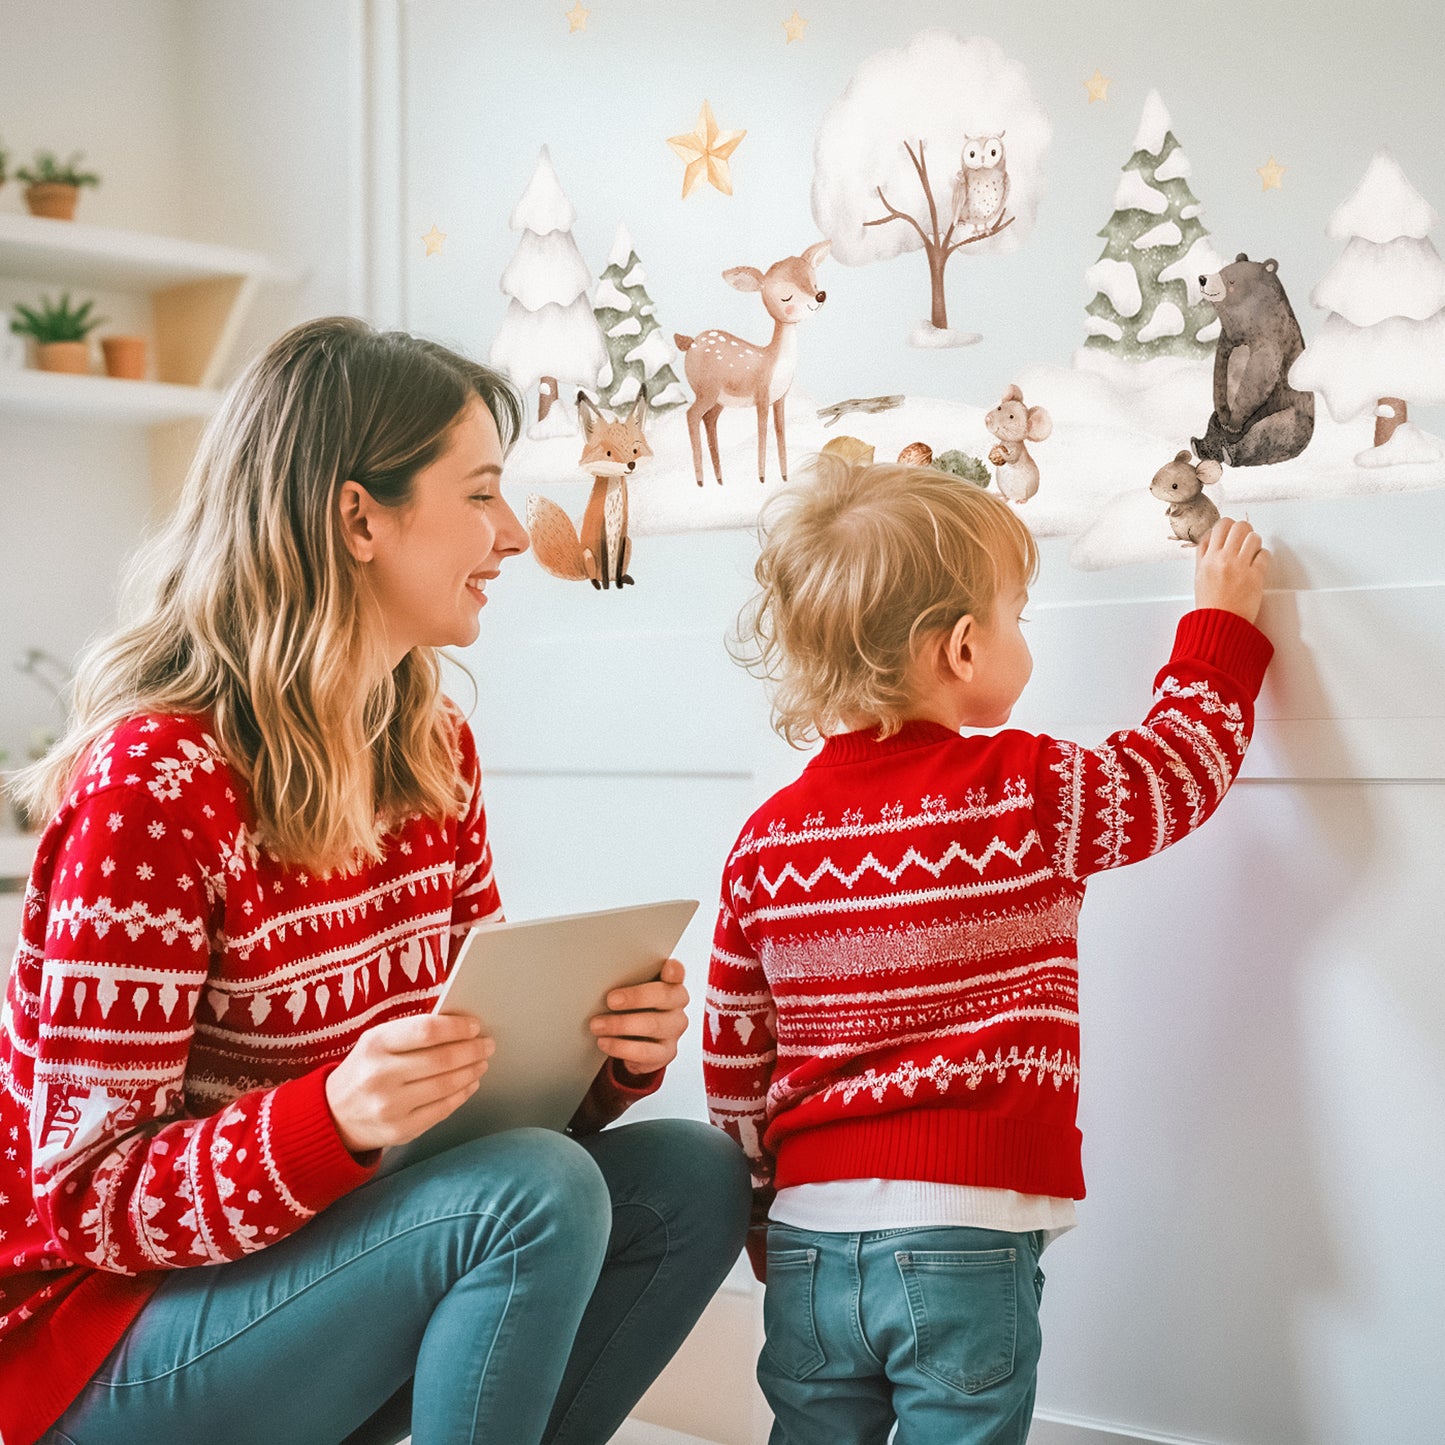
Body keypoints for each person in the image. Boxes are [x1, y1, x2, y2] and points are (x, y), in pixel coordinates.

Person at [0, 317, 751, 1445]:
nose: (510, 535)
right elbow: (85, 1196)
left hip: (307, 1273)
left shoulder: (430, 746)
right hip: (99, 1340)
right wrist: (329, 1118)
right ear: (360, 517)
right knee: (530, 1192)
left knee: (688, 1173)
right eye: (482, 495)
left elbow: (473, 1096)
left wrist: (594, 1058)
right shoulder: (156, 780)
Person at [703, 455, 1273, 1445]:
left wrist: (759, 1210)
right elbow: (1177, 766)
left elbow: (733, 1053)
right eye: (1016, 613)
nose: (1020, 635)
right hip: (963, 1225)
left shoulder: (767, 839)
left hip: (805, 1235)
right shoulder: (1025, 787)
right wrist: (1218, 626)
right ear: (963, 648)